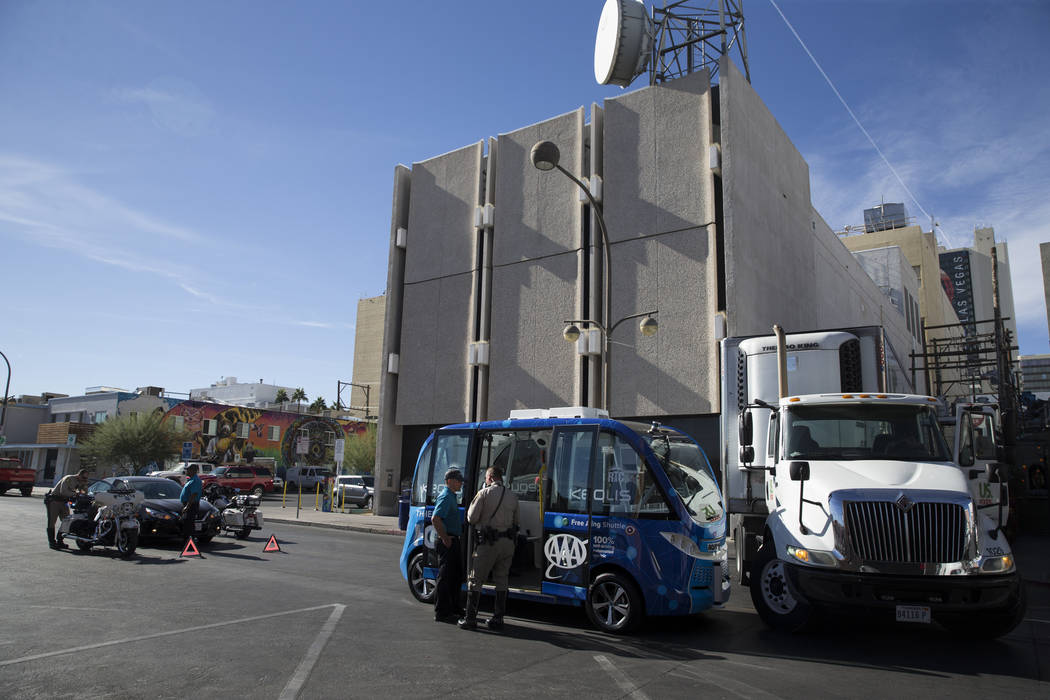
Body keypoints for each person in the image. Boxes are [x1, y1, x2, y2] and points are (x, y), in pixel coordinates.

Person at [460, 466, 520, 631]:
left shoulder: (484, 494)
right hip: (507, 543)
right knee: (502, 579)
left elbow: (471, 518)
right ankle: (498, 618)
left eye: (486, 478)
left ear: (491, 478)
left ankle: (470, 618)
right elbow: (516, 522)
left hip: (488, 543)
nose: (485, 480)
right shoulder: (512, 496)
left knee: (476, 579)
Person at [432, 467, 465, 623]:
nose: (461, 484)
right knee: (445, 578)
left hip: (453, 539)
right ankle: (442, 612)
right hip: (448, 541)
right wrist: (445, 538)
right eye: (458, 481)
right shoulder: (445, 496)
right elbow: (435, 518)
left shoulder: (451, 496)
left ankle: (453, 608)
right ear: (450, 481)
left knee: (455, 577)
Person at [44, 468, 90, 550]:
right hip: (54, 501)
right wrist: (76, 494)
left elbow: (84, 492)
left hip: (64, 502)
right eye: (83, 478)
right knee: (52, 522)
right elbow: (63, 492)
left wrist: (85, 485)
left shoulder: (80, 482)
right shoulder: (69, 478)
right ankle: (52, 542)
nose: (84, 479)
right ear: (78, 475)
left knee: (66, 522)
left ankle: (60, 541)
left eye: (86, 478)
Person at [180, 464, 203, 541]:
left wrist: (187, 506)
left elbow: (194, 494)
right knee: (187, 522)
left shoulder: (195, 480)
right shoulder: (191, 480)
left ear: (193, 471)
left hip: (191, 505)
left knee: (189, 523)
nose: (187, 471)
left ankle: (190, 541)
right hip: (189, 504)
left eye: (188, 470)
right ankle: (188, 540)